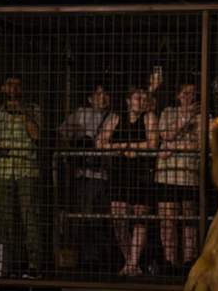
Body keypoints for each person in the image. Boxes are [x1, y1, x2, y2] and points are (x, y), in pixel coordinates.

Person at [97, 87, 158, 277]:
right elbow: (100, 142)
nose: (139, 102)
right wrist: (124, 147)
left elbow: (152, 143)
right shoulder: (115, 118)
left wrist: (125, 148)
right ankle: (129, 260)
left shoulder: (149, 118)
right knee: (118, 218)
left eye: (143, 98)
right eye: (136, 98)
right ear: (128, 101)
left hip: (141, 173)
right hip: (119, 173)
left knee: (140, 217)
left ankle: (132, 263)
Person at [0, 76, 42, 277]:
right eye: (9, 84)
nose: (13, 89)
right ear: (3, 87)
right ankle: (7, 265)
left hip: (26, 168)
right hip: (3, 168)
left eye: (17, 85)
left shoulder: (32, 109)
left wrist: (24, 113)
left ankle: (33, 265)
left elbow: (37, 135)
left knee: (29, 217)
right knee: (4, 217)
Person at [57, 85, 110, 268]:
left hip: (104, 173)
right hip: (85, 173)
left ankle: (100, 256)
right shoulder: (81, 114)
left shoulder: (113, 115)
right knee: (86, 214)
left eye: (105, 94)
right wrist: (74, 152)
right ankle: (90, 257)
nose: (103, 98)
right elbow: (63, 132)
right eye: (98, 94)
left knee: (100, 216)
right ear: (90, 98)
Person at [155, 82, 202, 274]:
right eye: (184, 93)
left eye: (192, 93)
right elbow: (165, 134)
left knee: (189, 220)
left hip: (189, 175)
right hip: (166, 175)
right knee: (168, 220)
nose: (188, 97)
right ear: (177, 95)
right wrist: (184, 118)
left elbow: (200, 144)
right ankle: (169, 261)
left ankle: (188, 261)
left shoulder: (202, 115)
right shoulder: (168, 112)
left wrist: (172, 146)